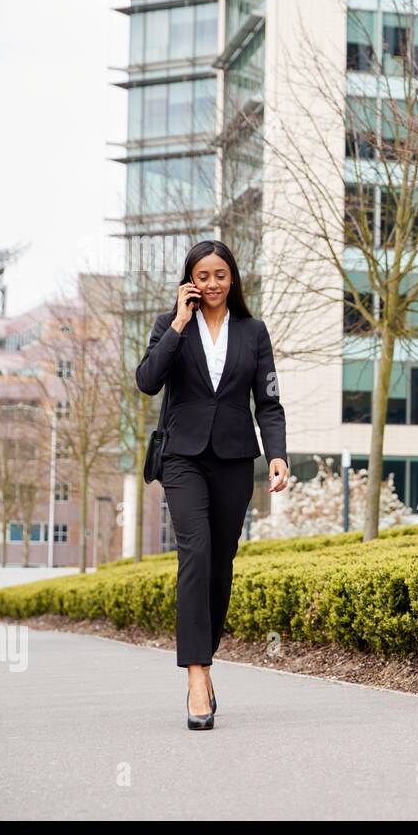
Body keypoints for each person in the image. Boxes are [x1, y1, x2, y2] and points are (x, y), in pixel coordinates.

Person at [135, 240, 289, 731]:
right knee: (195, 553)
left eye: (220, 274)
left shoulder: (254, 332)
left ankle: (205, 656)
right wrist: (179, 323)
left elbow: (268, 401)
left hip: (233, 458)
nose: (212, 283)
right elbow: (147, 381)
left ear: (233, 279)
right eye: (203, 275)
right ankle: (196, 677)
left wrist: (278, 453)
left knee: (220, 564)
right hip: (182, 457)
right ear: (189, 280)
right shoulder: (169, 326)